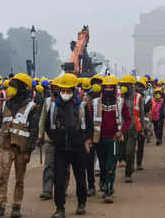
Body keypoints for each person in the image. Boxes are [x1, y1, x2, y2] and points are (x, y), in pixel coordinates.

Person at [0, 73, 40, 218]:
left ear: (22, 87)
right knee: (3, 176)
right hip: (6, 146)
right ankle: (1, 205)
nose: (10, 88)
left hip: (21, 150)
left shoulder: (32, 107)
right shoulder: (6, 103)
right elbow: (0, 123)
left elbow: (34, 130)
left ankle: (16, 206)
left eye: (14, 85)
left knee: (19, 179)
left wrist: (29, 150)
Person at [44, 73, 92, 218]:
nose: (65, 93)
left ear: (73, 90)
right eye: (62, 90)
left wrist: (83, 139)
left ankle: (81, 203)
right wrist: (55, 138)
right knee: (59, 179)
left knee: (80, 178)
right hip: (60, 149)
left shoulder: (82, 106)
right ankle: (59, 208)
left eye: (68, 90)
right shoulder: (54, 107)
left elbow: (89, 127)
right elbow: (48, 126)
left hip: (77, 148)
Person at [89, 75, 131, 203]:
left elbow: (128, 120)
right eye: (105, 87)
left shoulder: (120, 102)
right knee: (102, 164)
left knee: (111, 164)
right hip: (99, 139)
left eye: (110, 87)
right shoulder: (95, 103)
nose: (108, 89)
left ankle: (108, 190)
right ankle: (103, 181)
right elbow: (89, 120)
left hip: (113, 139)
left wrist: (121, 131)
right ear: (102, 88)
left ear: (115, 88)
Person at [37, 78, 70, 201]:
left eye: (57, 87)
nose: (55, 90)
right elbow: (42, 120)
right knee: (49, 165)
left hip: (65, 139)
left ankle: (63, 188)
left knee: (65, 167)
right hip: (50, 139)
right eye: (53, 88)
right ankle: (47, 190)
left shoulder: (68, 101)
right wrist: (40, 136)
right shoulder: (47, 101)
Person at [117, 75, 139, 182]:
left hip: (132, 129)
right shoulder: (118, 97)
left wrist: (142, 129)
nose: (124, 86)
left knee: (129, 151)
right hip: (120, 130)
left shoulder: (138, 97)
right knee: (121, 152)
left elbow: (141, 113)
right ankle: (129, 163)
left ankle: (128, 174)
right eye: (123, 84)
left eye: (126, 84)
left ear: (131, 86)